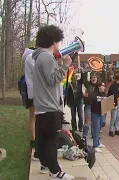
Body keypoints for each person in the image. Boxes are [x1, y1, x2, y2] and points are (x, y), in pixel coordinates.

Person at [32, 25, 74, 179]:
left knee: (44, 142)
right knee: (52, 141)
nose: (59, 45)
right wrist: (65, 65)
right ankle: (56, 172)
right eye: (58, 42)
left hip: (42, 107)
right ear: (54, 41)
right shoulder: (46, 57)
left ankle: (50, 169)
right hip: (50, 107)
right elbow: (53, 79)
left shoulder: (39, 57)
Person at [22, 47, 40, 161]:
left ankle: (35, 141)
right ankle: (34, 143)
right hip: (35, 93)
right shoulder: (32, 57)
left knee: (33, 118)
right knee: (34, 118)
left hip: (32, 92)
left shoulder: (29, 57)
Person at [90, 82, 107, 153]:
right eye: (102, 86)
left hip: (101, 113)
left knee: (99, 128)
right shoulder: (94, 94)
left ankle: (98, 142)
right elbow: (94, 100)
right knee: (96, 128)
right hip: (95, 113)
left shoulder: (103, 94)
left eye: (104, 86)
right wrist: (102, 99)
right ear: (99, 87)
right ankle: (95, 145)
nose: (104, 87)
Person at [82, 72, 98, 139]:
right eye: (92, 77)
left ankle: (93, 135)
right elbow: (83, 79)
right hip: (88, 105)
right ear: (90, 79)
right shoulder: (88, 85)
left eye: (95, 77)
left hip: (96, 106)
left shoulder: (98, 86)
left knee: (94, 121)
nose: (93, 79)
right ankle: (84, 135)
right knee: (87, 120)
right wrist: (84, 72)